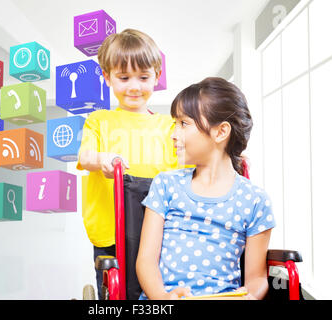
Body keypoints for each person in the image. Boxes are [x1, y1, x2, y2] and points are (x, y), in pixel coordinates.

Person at [136, 77, 276, 300]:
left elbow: (256, 279)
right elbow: (145, 261)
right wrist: (163, 298)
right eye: (175, 123)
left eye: (183, 123)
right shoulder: (166, 185)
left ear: (221, 132)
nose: (173, 134)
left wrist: (250, 297)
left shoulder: (255, 200)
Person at [76, 29, 180, 300]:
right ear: (107, 77)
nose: (134, 86)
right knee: (116, 289)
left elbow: (191, 162)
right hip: (111, 230)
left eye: (143, 77)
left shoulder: (169, 126)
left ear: (157, 76)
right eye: (124, 78)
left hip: (160, 231)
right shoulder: (99, 120)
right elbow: (85, 157)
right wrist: (102, 159)